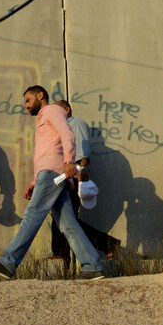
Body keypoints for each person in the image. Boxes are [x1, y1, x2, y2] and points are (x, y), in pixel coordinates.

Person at [0, 86, 108, 280]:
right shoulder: (42, 120)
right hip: (50, 174)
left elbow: (68, 135)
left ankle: (8, 262)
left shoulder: (52, 110)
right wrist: (35, 182)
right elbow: (47, 153)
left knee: (33, 214)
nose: (26, 106)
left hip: (53, 172)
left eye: (28, 100)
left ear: (40, 96)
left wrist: (69, 161)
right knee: (68, 224)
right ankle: (92, 266)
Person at [48, 100, 116, 262]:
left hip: (73, 176)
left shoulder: (75, 123)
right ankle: (60, 253)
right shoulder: (61, 128)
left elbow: (83, 154)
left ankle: (106, 244)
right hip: (63, 177)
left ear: (67, 109)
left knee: (65, 217)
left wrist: (80, 174)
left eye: (57, 110)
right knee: (61, 216)